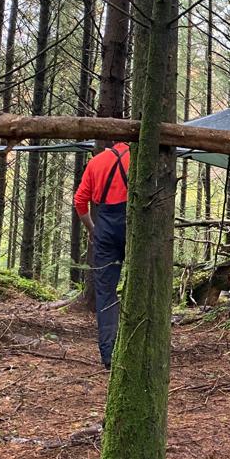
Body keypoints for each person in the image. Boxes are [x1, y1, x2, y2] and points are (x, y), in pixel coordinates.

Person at [74, 142, 131, 369]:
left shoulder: (96, 162)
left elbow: (80, 201)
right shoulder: (140, 159)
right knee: (141, 283)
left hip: (105, 226)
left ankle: (109, 355)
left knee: (106, 291)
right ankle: (138, 347)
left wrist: (92, 229)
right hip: (134, 225)